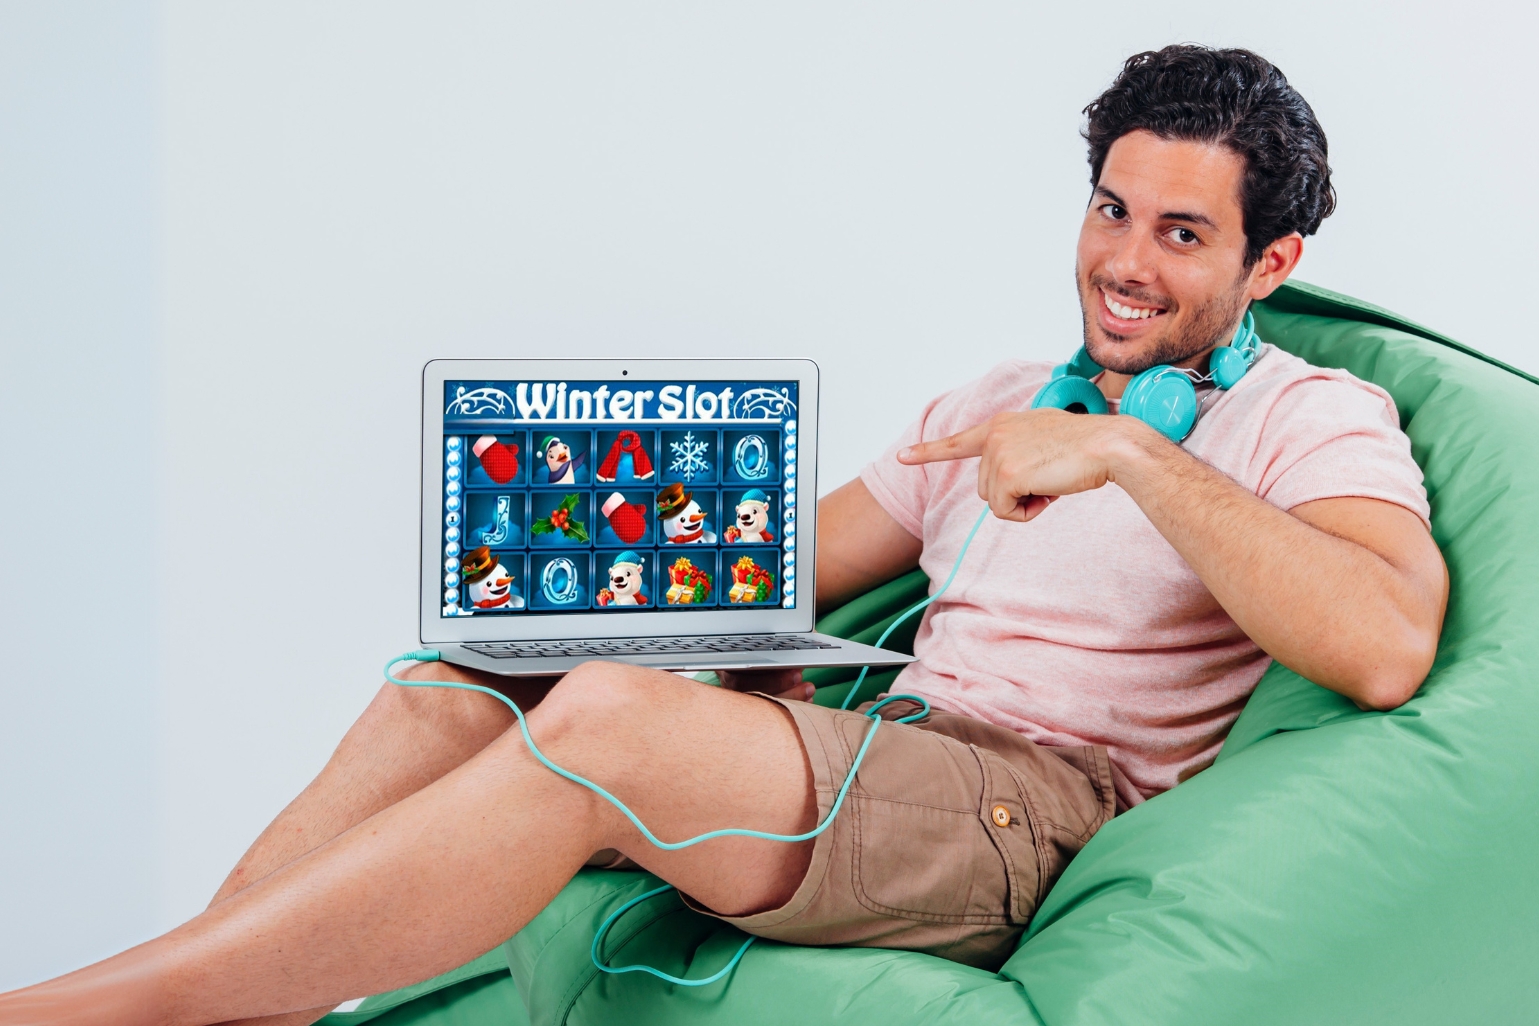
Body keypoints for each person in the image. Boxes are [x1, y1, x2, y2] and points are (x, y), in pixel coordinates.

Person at [0, 45, 1448, 1026]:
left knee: (615, 727)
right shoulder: (1005, 402)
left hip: (1031, 811)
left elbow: (1385, 640)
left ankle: (92, 1010)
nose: (1125, 262)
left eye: (1182, 235)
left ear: (1273, 260)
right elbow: (765, 573)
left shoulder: (1305, 419)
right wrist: (574, 557)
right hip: (888, 746)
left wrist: (1130, 453)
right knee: (460, 673)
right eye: (1112, 209)